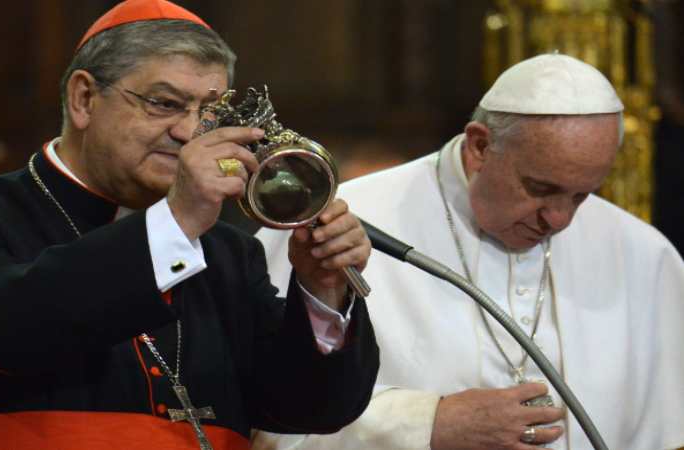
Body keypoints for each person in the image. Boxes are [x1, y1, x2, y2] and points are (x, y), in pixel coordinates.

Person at [0, 1, 379, 449]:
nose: (190, 133)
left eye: (209, 114)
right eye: (165, 103)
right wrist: (178, 219)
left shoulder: (228, 254)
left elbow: (313, 409)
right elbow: (0, 334)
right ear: (84, 99)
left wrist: (322, 288)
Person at [253, 53, 684, 450]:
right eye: (540, 189)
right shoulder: (336, 225)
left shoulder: (644, 256)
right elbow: (268, 423)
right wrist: (428, 424)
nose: (560, 220)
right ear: (480, 146)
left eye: (582, 196)